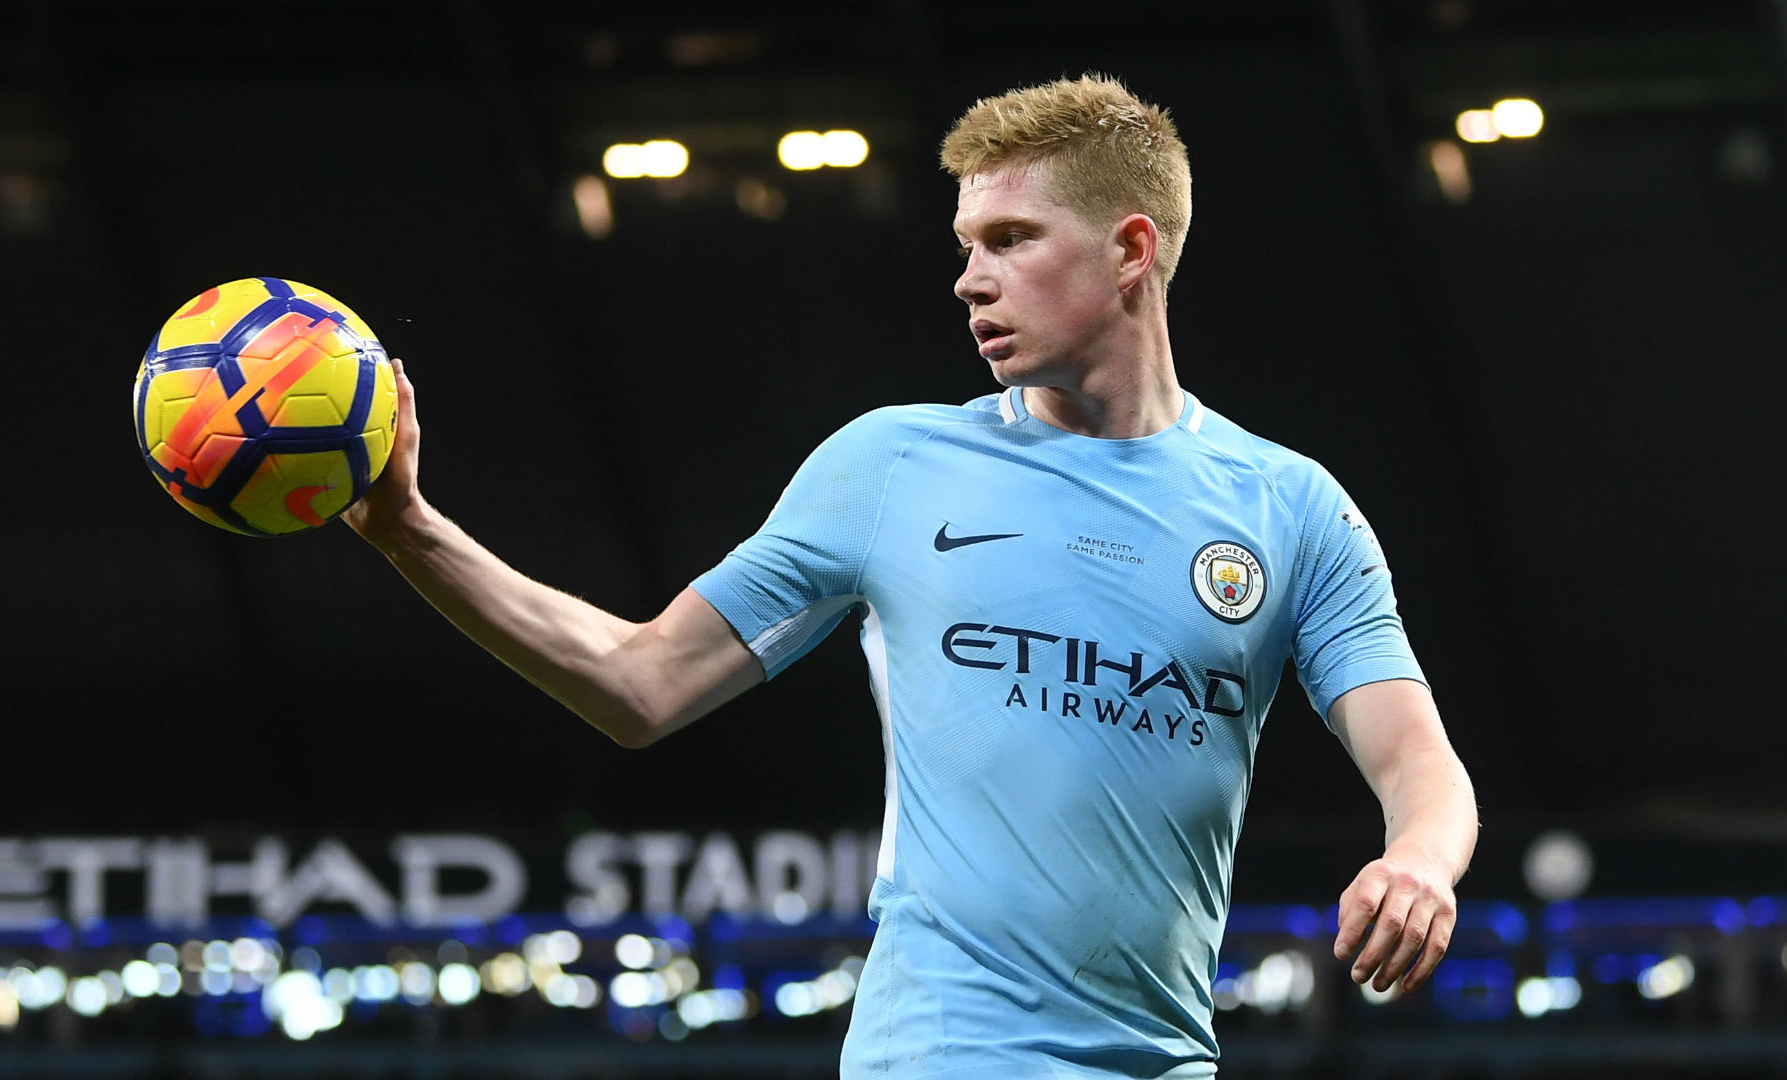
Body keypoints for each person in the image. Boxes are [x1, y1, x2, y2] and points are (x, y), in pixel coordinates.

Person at [345, 74, 1478, 1080]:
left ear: (1132, 250)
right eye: (966, 245)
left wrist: (1420, 863)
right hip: (940, 1054)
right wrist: (410, 531)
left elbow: (1418, 762)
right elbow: (640, 683)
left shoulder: (1289, 510)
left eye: (1012, 240)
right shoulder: (890, 467)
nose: (970, 281)